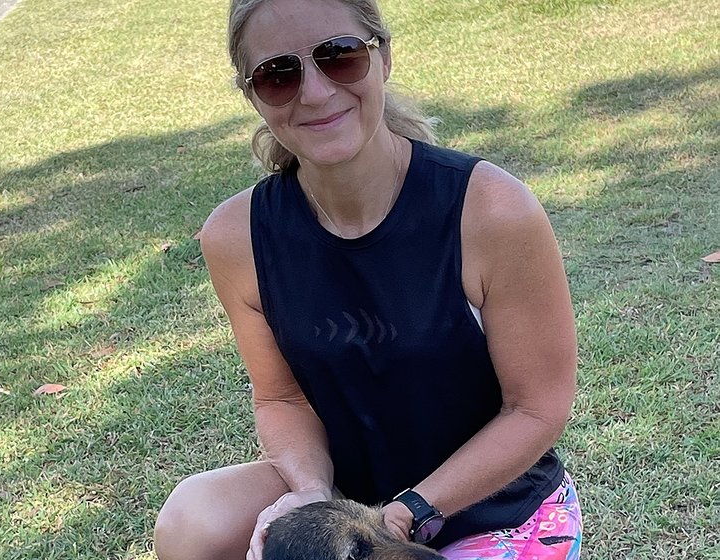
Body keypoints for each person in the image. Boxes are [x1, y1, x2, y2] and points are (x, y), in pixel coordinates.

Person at [154, 0, 583, 559]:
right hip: (351, 507)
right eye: (278, 74)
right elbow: (283, 398)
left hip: (498, 508)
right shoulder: (237, 236)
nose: (314, 93)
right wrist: (312, 495)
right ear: (252, 94)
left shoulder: (491, 208)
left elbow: (536, 409)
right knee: (194, 521)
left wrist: (405, 513)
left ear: (383, 57)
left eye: (339, 56)